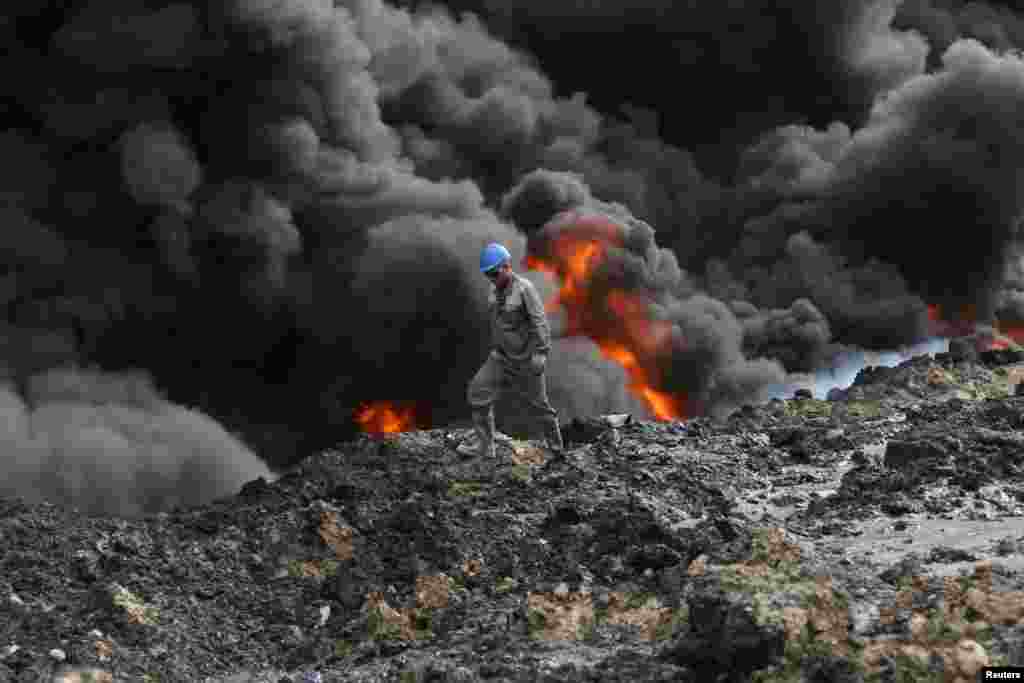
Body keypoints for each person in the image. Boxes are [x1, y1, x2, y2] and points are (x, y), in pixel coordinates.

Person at [458, 243, 564, 458]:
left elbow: (539, 322)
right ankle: (485, 445)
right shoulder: (493, 290)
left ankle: (557, 450)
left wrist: (541, 352)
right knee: (477, 392)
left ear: (507, 267)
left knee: (539, 407)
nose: (491, 278)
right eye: (488, 274)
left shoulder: (525, 289)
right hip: (501, 358)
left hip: (526, 360)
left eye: (494, 273)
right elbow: (497, 322)